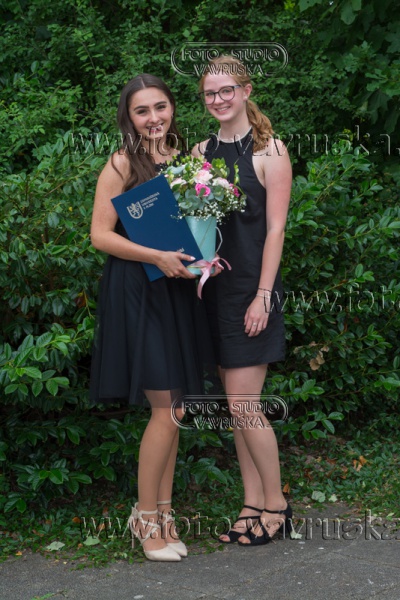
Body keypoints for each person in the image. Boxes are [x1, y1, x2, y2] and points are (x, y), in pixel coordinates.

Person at [90, 74, 214, 561]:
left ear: (172, 108)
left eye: (160, 107)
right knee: (166, 409)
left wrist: (201, 257)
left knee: (177, 407)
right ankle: (144, 520)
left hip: (177, 289)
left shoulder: (188, 161)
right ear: (128, 116)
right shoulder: (121, 162)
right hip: (138, 289)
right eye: (142, 111)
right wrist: (155, 256)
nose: (154, 118)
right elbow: (100, 235)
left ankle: (164, 514)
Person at [193, 55, 293, 546]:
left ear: (246, 90)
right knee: (237, 409)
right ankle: (251, 503)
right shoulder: (200, 152)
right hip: (213, 291)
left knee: (245, 405)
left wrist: (263, 297)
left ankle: (277, 505)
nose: (219, 99)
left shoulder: (270, 150)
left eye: (226, 90)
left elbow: (275, 230)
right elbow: (196, 223)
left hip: (253, 291)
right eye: (210, 93)